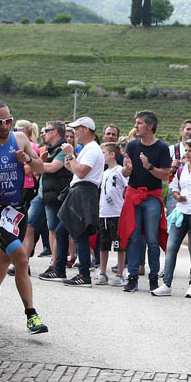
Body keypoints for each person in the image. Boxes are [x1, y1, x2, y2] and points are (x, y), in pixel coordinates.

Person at [0, 101, 48, 335]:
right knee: (21, 258)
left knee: (6, 258)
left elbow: (41, 168)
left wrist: (26, 160)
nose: (5, 126)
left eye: (8, 120)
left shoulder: (21, 139)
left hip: (17, 211)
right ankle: (31, 315)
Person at [119, 110, 173, 293]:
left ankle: (153, 278)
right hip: (134, 194)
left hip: (151, 196)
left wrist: (149, 167)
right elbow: (126, 173)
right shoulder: (132, 146)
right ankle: (132, 277)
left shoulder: (162, 148)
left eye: (139, 123)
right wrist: (128, 169)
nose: (136, 126)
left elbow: (165, 175)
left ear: (150, 126)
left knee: (152, 238)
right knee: (134, 237)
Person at [154, 139, 191, 298]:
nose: (187, 153)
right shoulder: (181, 170)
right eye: (186, 150)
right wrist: (176, 196)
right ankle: (166, 284)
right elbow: (174, 187)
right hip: (181, 212)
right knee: (171, 247)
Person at [49, 117, 103, 287]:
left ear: (86, 129)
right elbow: (79, 171)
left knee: (79, 234)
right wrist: (70, 164)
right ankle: (60, 269)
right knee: (62, 230)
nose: (75, 133)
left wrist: (70, 154)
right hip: (81, 191)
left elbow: (81, 173)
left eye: (77, 129)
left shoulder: (92, 149)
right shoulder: (90, 148)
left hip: (83, 192)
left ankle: (83, 275)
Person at [35, 121, 73, 278]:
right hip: (50, 196)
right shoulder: (51, 150)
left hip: (58, 196)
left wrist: (35, 162)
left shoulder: (63, 149)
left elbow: (52, 168)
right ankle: (55, 263)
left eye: (46, 130)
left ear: (55, 132)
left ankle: (56, 265)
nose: (43, 133)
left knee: (57, 232)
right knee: (52, 231)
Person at [97, 142, 128, 285]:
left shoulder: (120, 171)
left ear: (111, 155)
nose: (101, 156)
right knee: (103, 245)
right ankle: (102, 272)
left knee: (119, 245)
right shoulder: (103, 173)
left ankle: (120, 274)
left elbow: (127, 187)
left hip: (117, 213)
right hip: (103, 213)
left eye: (103, 153)